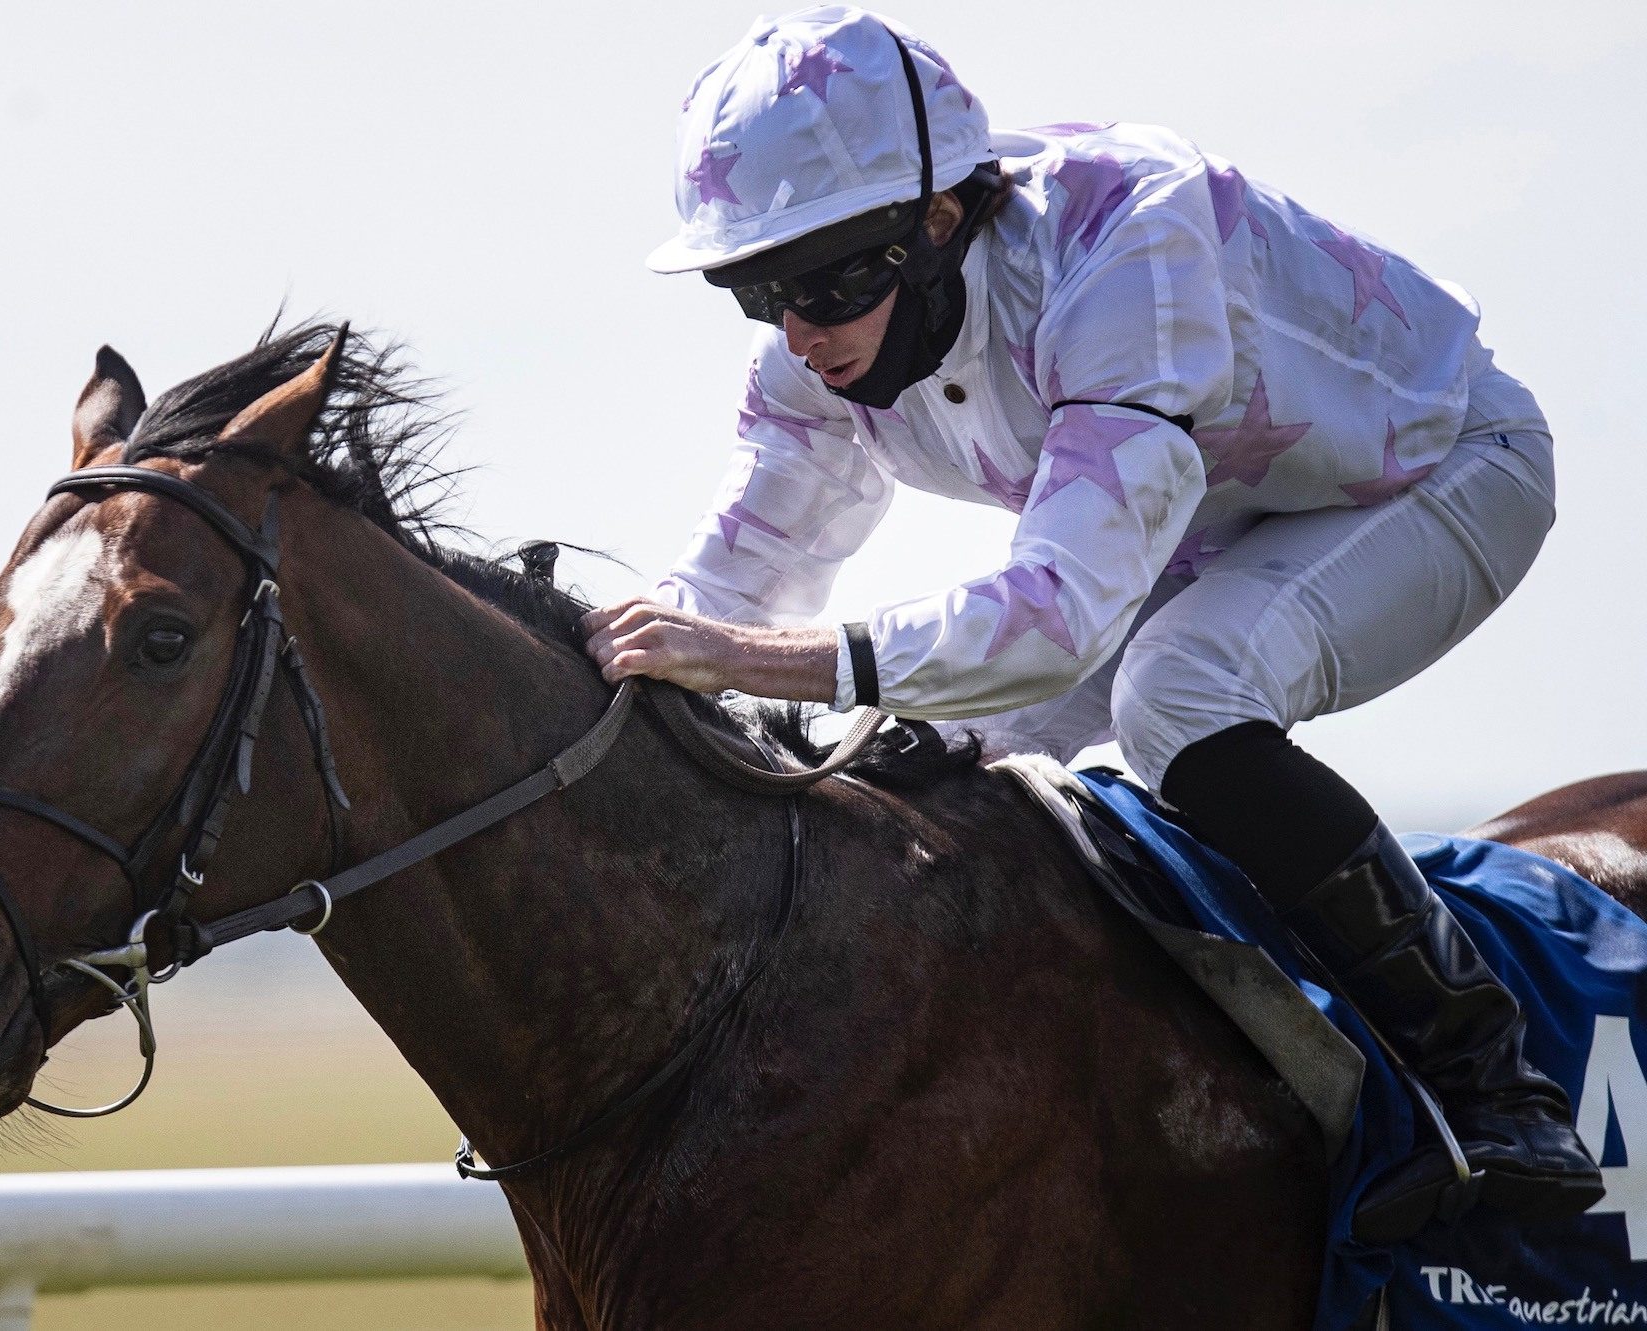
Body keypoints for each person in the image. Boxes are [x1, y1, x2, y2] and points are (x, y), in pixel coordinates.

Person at [575, 4, 1603, 1242]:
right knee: (954, 763)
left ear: (941, 219)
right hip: (1204, 527)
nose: (803, 330)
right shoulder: (818, 345)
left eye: (834, 278)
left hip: (1440, 467)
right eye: (760, 289)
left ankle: (1492, 1081)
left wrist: (767, 664)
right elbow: (731, 588)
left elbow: (1057, 614)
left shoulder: (1132, 243)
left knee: (1178, 689)